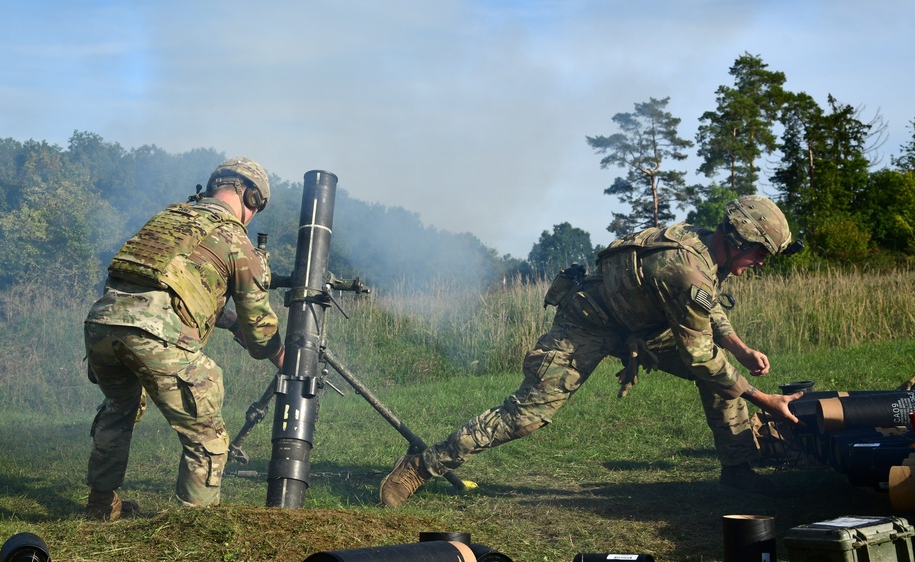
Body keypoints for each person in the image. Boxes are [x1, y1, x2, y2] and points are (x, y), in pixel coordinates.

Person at [380, 195, 803, 507]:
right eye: (761, 253)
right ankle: (423, 464)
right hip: (588, 323)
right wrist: (763, 398)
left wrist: (739, 347)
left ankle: (737, 469)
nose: (762, 262)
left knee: (723, 376)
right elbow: (697, 349)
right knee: (525, 415)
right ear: (737, 238)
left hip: (641, 325)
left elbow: (708, 307)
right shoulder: (684, 269)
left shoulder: (704, 245)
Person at [83, 157, 285, 520]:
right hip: (154, 337)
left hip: (102, 325)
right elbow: (260, 335)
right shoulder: (234, 238)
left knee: (119, 408)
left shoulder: (169, 220)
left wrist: (228, 322)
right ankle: (193, 528)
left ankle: (100, 505)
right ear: (252, 198)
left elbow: (166, 289)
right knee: (206, 433)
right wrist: (281, 354)